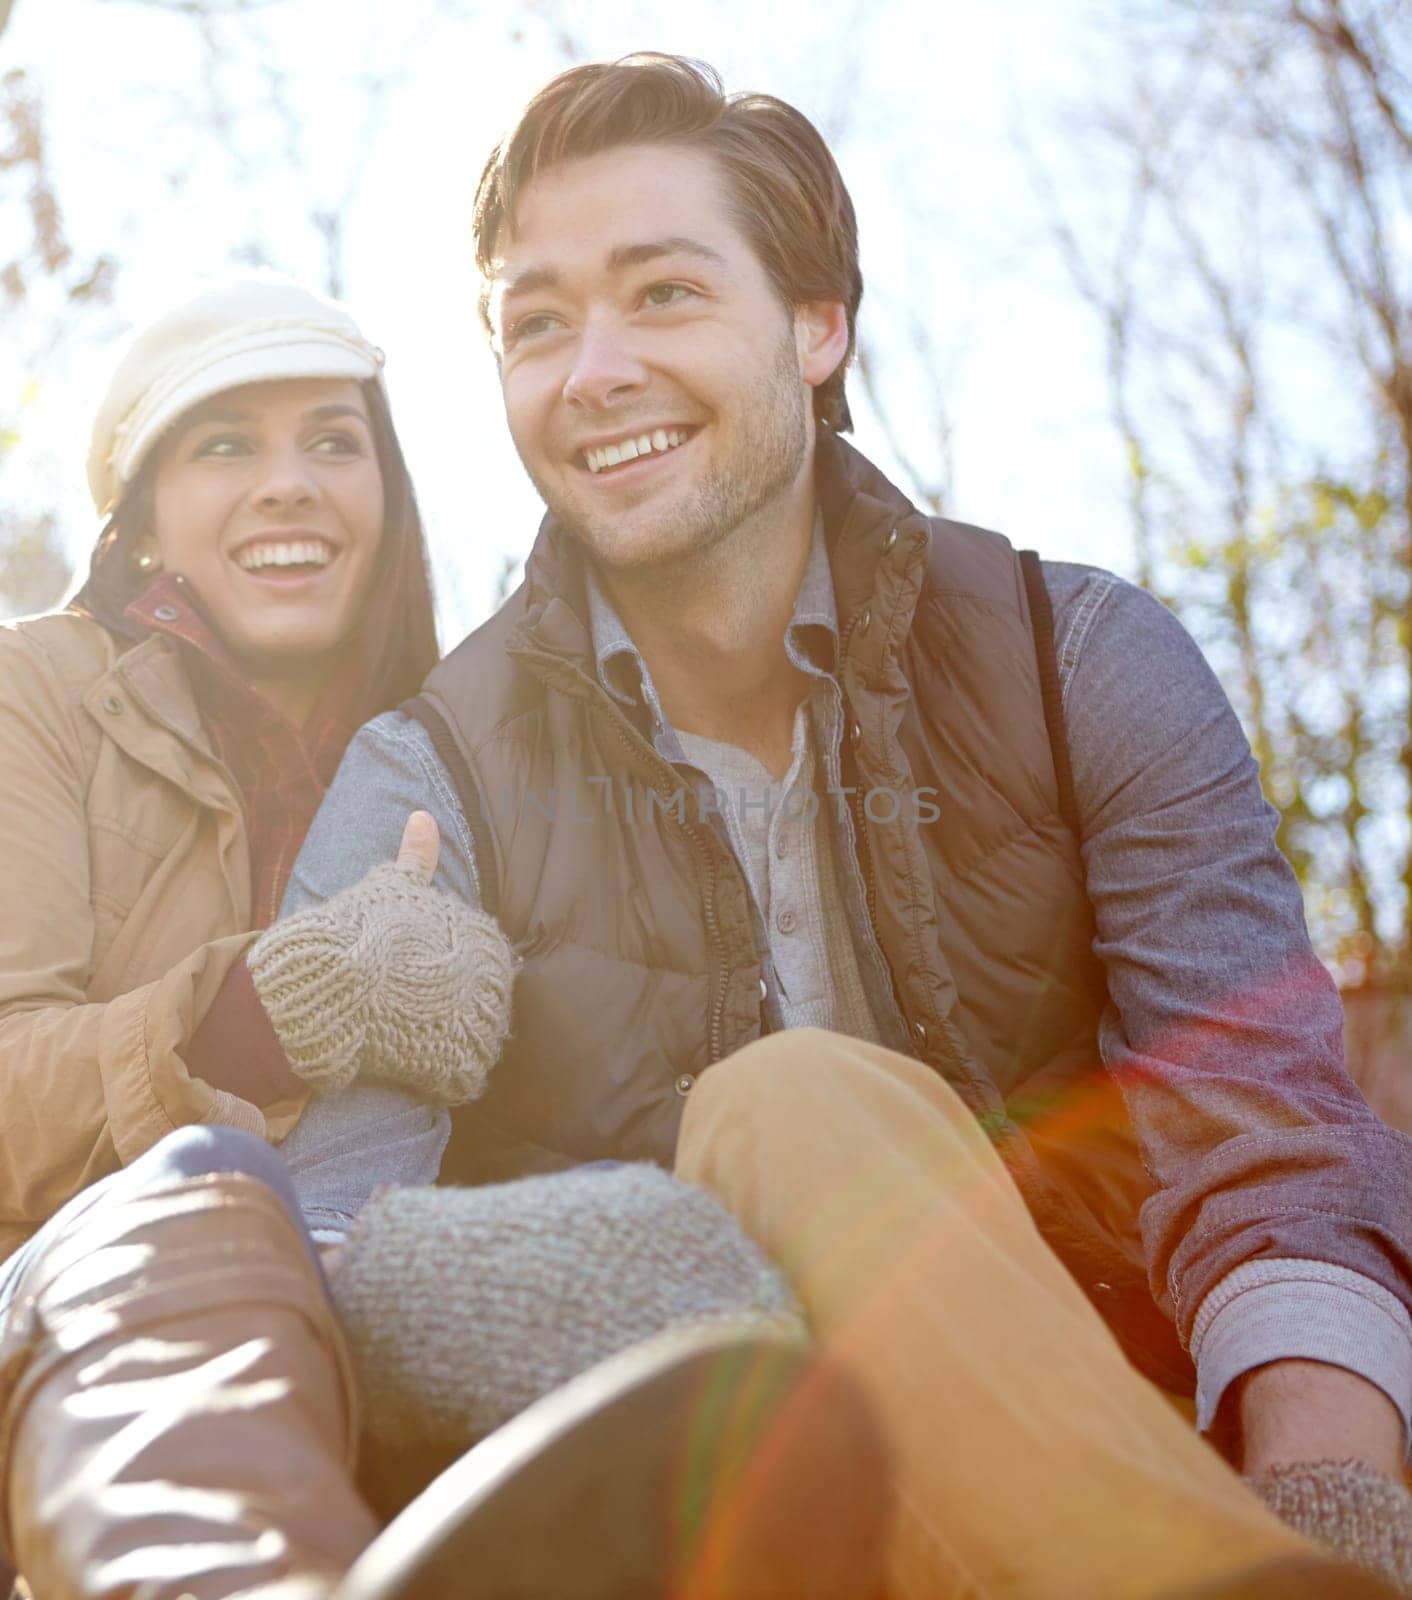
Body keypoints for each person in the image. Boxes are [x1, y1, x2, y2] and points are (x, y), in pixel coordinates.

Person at [263, 53, 1412, 1599]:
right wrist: (668, 1295)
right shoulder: (430, 782)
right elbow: (331, 1255)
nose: (590, 368)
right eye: (536, 322)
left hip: (1136, 1427)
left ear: (819, 328)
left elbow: (1269, 1141)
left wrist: (1329, 1490)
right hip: (732, 1514)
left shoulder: (1079, 662)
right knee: (784, 1106)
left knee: (796, 1100)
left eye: (662, 293)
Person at [0, 276, 881, 1600]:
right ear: (142, 522)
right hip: (82, 1319)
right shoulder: (42, 696)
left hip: (368, 1292)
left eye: (334, 442)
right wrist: (279, 1005)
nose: (290, 484)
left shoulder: (473, 737)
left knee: (669, 1265)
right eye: (225, 444)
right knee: (202, 1188)